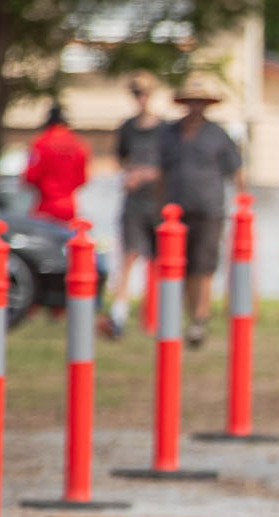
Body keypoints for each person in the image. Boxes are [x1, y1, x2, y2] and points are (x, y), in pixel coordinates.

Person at [156, 76, 247, 349]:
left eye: (201, 102)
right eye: (192, 101)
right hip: (175, 212)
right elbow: (160, 173)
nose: (196, 106)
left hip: (209, 209)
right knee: (178, 267)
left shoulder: (218, 134)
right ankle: (185, 315)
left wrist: (243, 204)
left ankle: (200, 318)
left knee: (203, 266)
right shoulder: (169, 133)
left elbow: (237, 171)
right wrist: (159, 207)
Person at [112, 74, 165, 337]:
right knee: (129, 255)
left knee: (159, 259)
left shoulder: (165, 129)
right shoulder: (128, 127)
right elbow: (122, 159)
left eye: (144, 93)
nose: (140, 98)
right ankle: (119, 316)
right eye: (136, 93)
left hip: (158, 201)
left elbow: (169, 166)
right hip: (133, 201)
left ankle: (155, 316)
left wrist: (146, 175)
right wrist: (131, 174)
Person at [22, 104, 89, 222]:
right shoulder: (79, 145)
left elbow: (30, 176)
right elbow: (82, 179)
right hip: (69, 207)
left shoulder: (40, 143)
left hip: (46, 206)